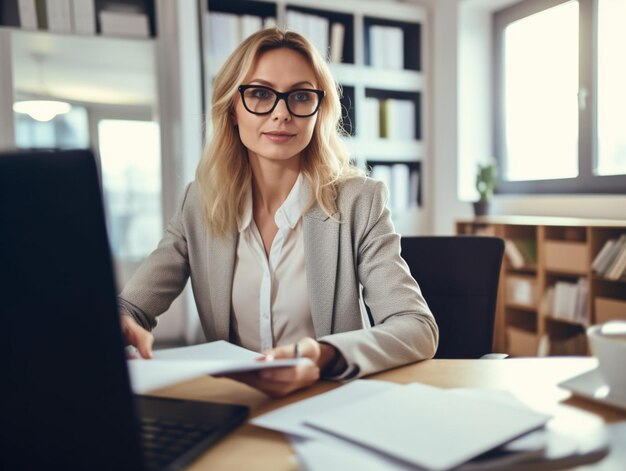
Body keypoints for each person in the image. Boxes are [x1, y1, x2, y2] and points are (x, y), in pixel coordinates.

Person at [118, 27, 438, 397]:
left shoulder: (359, 201)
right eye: (259, 93)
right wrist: (121, 324)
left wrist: (322, 355)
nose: (282, 113)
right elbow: (130, 307)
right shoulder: (199, 203)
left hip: (331, 400)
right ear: (232, 109)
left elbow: (416, 326)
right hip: (238, 404)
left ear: (319, 111)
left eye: (301, 96)